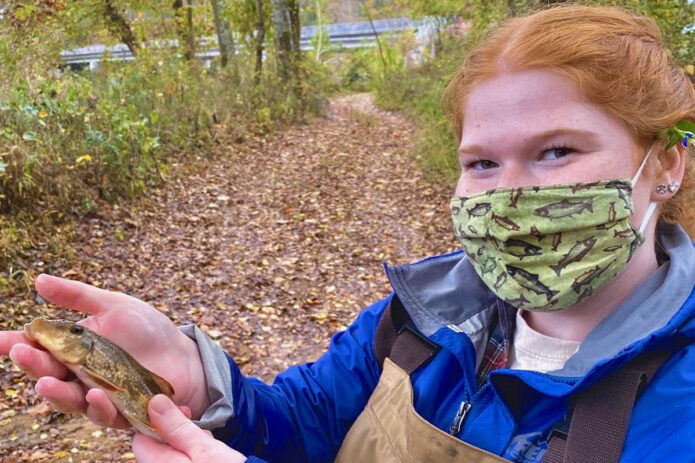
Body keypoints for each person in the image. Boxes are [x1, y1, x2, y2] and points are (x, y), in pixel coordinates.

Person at [2, 4, 695, 462]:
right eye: (481, 161)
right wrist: (198, 382)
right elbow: (302, 423)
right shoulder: (424, 317)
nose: (510, 191)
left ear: (664, 160)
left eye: (555, 152)